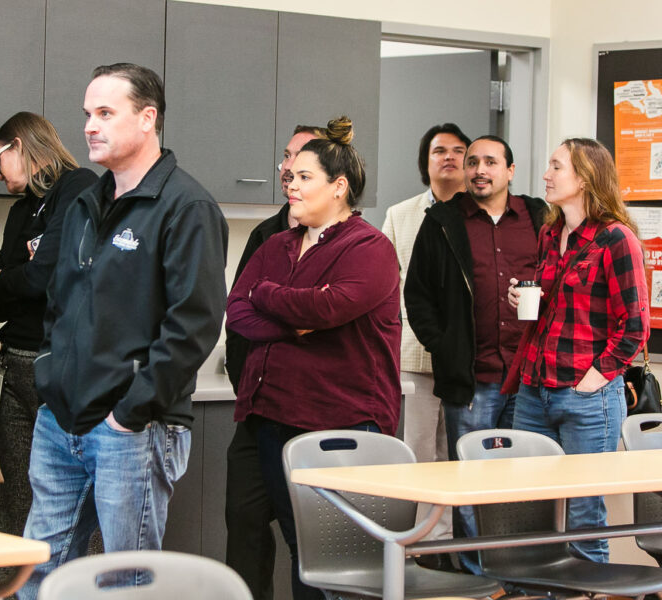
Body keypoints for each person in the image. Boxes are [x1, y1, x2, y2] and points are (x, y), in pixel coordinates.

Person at [20, 63, 228, 597]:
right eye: (88, 114)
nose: (90, 125)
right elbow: (59, 302)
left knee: (126, 583)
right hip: (61, 419)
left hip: (131, 429)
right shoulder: (86, 203)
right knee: (38, 572)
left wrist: (129, 413)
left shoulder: (187, 206)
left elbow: (193, 325)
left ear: (147, 119)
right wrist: (49, 373)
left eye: (106, 113)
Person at [227, 116, 400, 600]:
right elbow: (238, 311)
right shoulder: (277, 243)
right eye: (290, 177)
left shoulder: (370, 247)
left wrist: (270, 296)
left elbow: (330, 307)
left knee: (331, 560)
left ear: (339, 187)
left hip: (339, 424)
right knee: (296, 547)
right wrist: (288, 315)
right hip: (270, 416)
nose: (292, 185)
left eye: (305, 178)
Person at [404, 134, 547, 573]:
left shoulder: (540, 217)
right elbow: (418, 296)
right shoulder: (443, 220)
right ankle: (474, 577)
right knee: (469, 482)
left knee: (521, 483)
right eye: (472, 163)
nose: (479, 170)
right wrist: (445, 348)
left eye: (489, 162)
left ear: (510, 171)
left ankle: (515, 575)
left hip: (529, 378)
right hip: (471, 379)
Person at [506, 137, 648, 563]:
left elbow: (636, 325)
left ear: (585, 179)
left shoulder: (615, 239)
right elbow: (554, 307)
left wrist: (596, 377)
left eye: (556, 167)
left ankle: (586, 591)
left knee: (584, 519)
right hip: (534, 389)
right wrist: (524, 299)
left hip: (587, 397)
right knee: (532, 511)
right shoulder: (551, 234)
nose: (546, 176)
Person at [0, 112, 98, 556]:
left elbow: (41, 277)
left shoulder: (78, 186)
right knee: (15, 495)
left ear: (20, 146)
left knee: (70, 503)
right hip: (14, 363)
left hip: (62, 366)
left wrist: (13, 277)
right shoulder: (20, 211)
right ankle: (10, 588)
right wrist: (17, 278)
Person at [223, 123, 324, 600]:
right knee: (243, 520)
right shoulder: (267, 233)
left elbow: (326, 319)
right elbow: (238, 314)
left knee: (306, 537)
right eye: (286, 157)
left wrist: (273, 307)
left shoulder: (352, 242)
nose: (287, 169)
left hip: (313, 415)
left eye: (301, 160)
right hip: (258, 407)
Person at [381, 123, 470, 554]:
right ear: (426, 161)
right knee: (419, 452)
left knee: (460, 456)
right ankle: (420, 550)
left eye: (458, 150)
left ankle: (455, 548)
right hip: (415, 355)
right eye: (439, 151)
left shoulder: (479, 214)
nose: (449, 157)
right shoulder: (401, 215)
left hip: (470, 361)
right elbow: (386, 287)